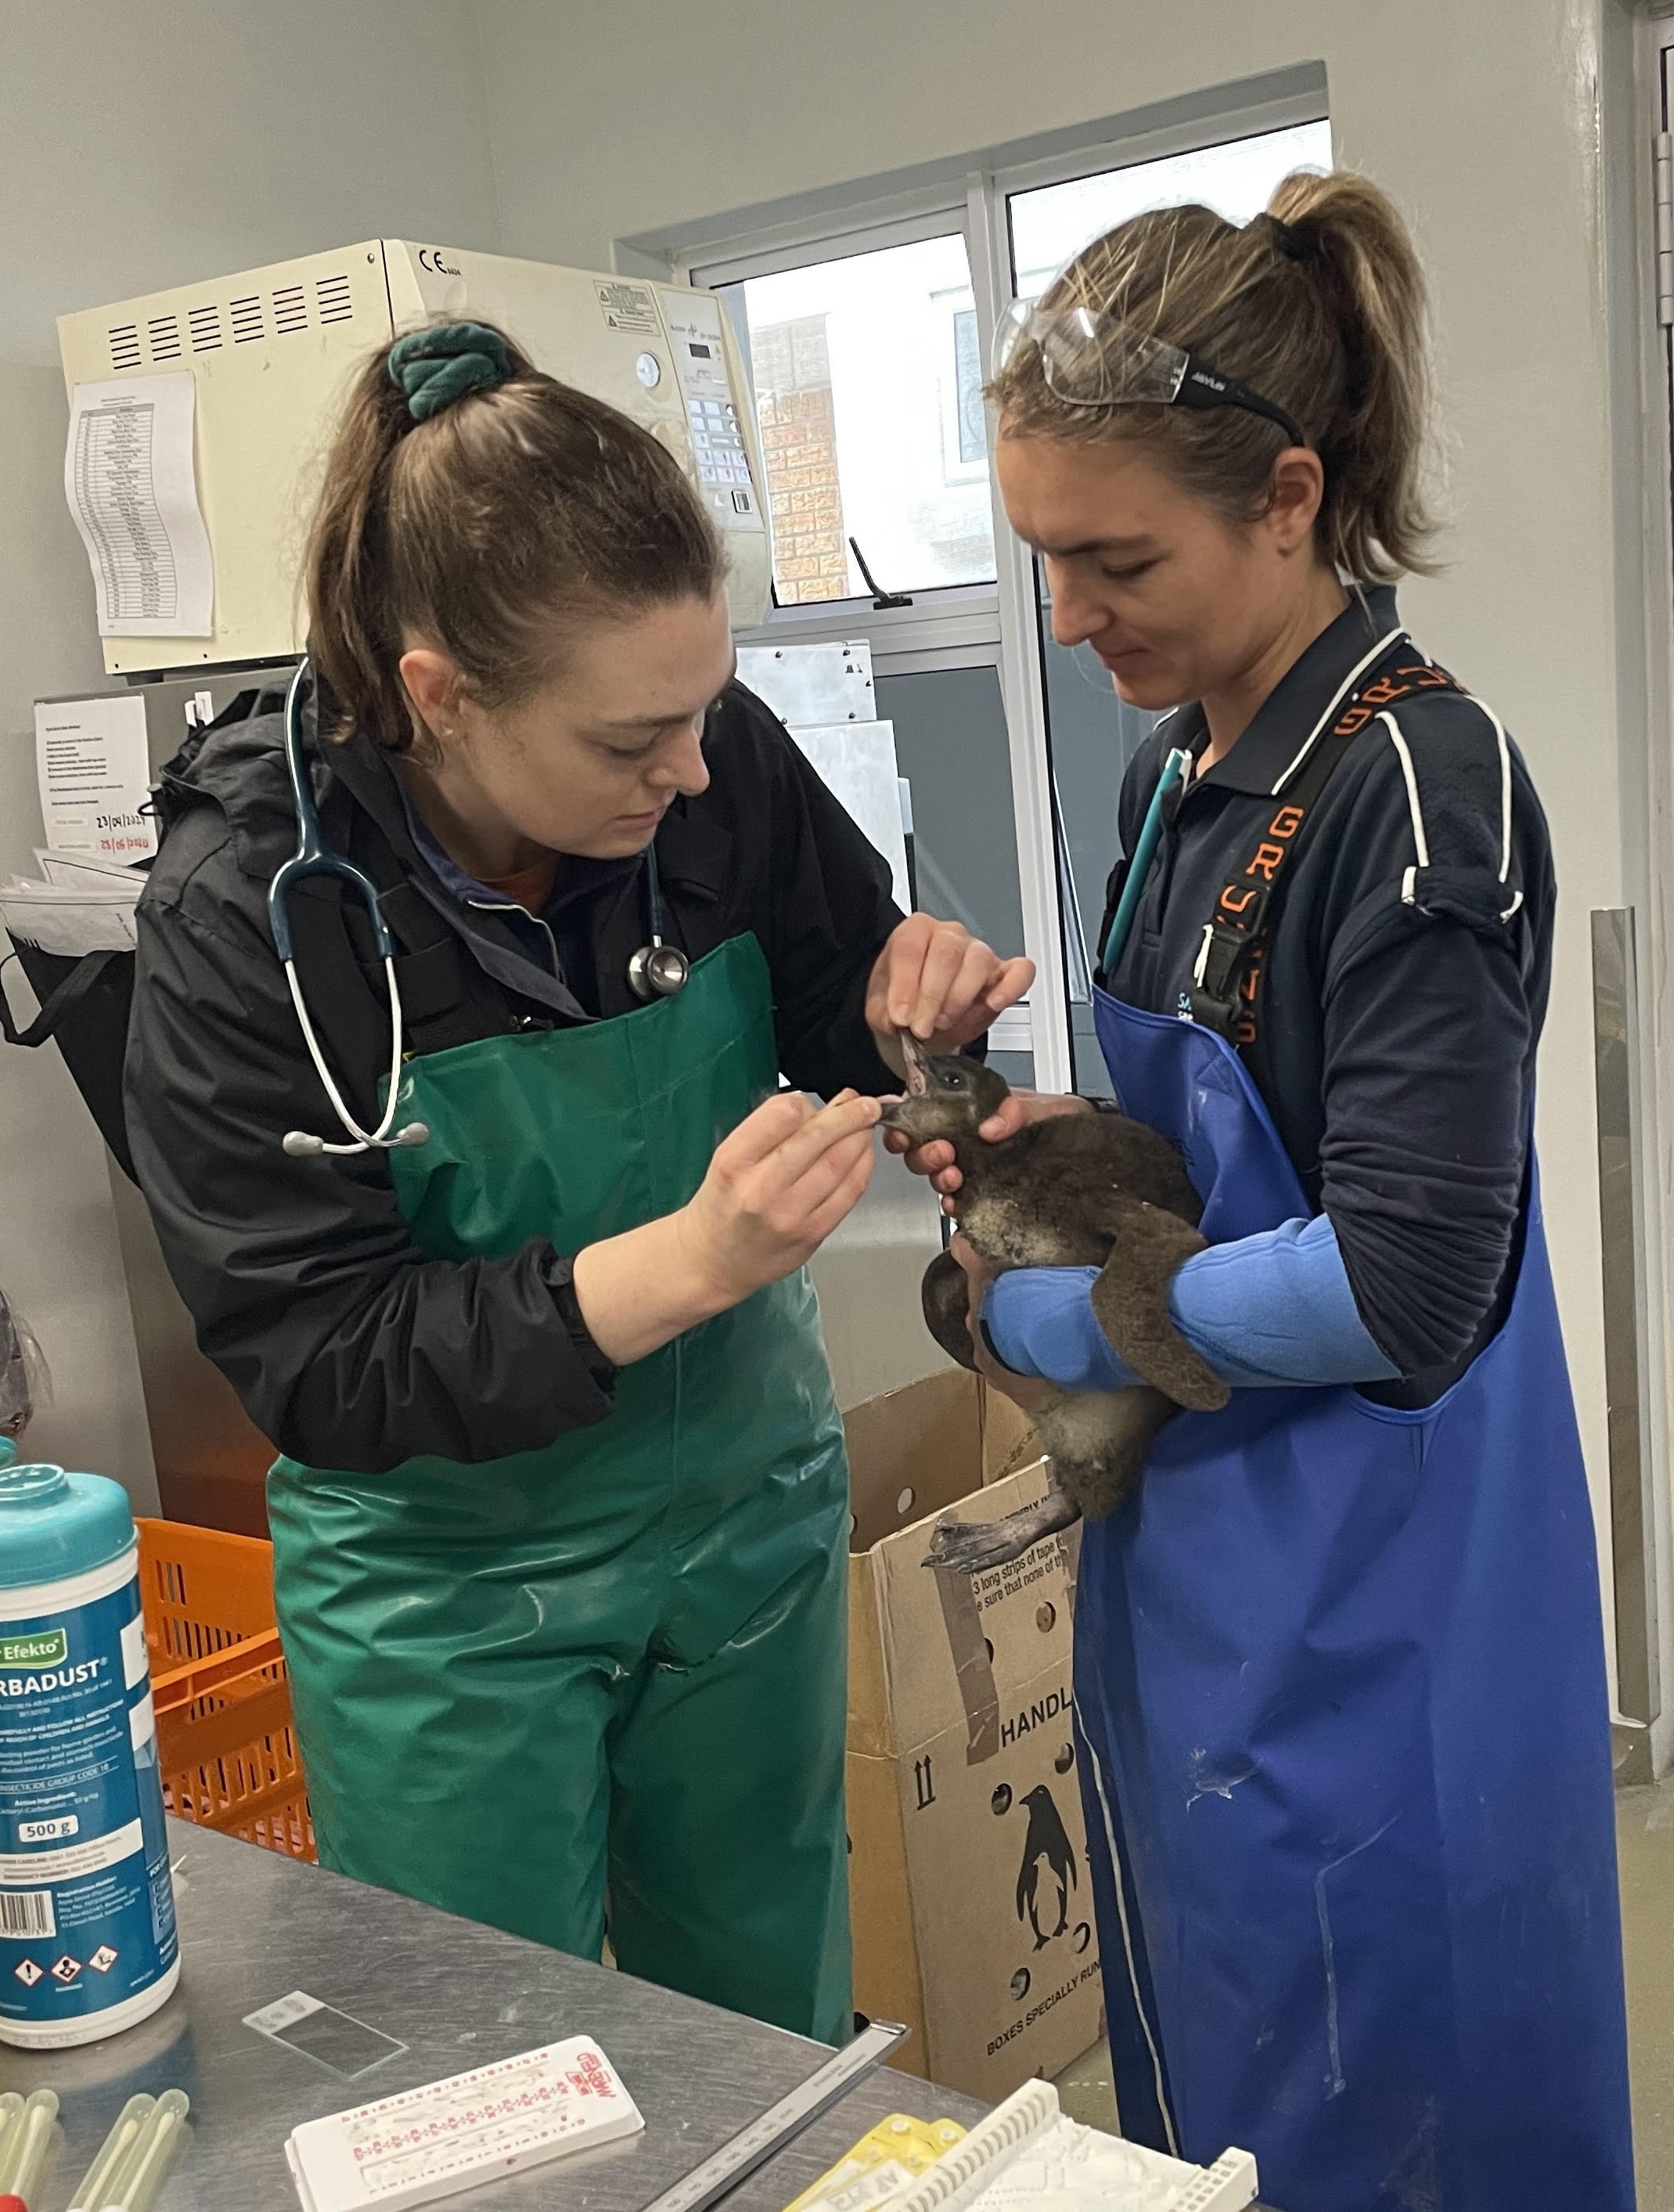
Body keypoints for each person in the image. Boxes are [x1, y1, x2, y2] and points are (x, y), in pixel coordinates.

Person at [122, 321, 1031, 2046]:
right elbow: (321, 1362)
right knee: (482, 2075)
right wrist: (687, 1260)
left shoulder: (713, 764)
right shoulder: (258, 915)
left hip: (742, 1529)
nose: (686, 775)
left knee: (763, 2035)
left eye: (699, 717)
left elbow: (839, 978)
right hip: (450, 1602)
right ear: (438, 694)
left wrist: (912, 1022)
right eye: (631, 744)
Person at [892, 175, 1633, 2209]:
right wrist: (1011, 1144)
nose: (1063, 618)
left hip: (1377, 1610)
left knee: (1400, 2102)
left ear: (1289, 497)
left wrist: (1051, 1319)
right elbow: (1228, 1156)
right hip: (1203, 1580)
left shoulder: (1412, 791)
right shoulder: (1173, 777)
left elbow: (1401, 1281)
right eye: (1040, 557)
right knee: (1226, 2096)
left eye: (1111, 560)